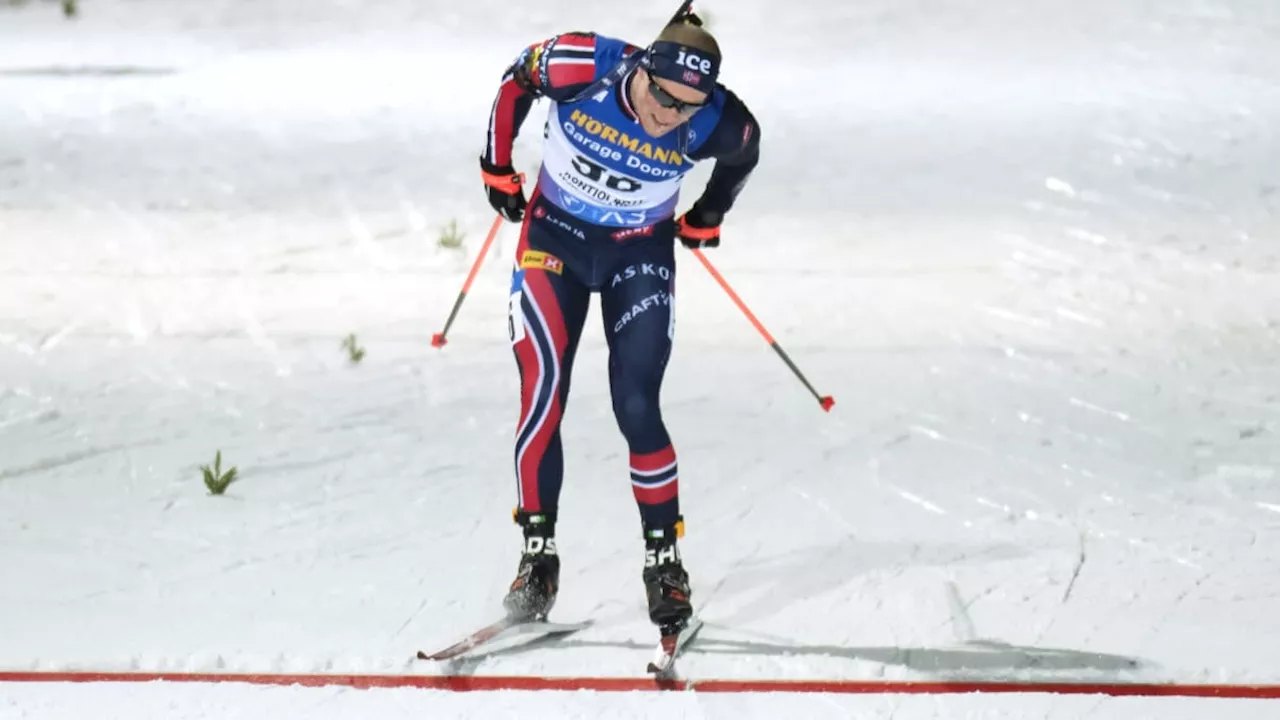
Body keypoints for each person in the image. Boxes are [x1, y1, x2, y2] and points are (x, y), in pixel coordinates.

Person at [478, 11, 760, 639]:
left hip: (639, 253)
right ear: (645, 70)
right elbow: (515, 81)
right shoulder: (585, 65)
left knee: (636, 404)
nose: (670, 115)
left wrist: (710, 212)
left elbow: (748, 149)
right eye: (663, 97)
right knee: (542, 394)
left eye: (687, 107)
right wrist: (496, 165)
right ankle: (537, 560)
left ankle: (664, 566)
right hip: (555, 243)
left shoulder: (714, 118)